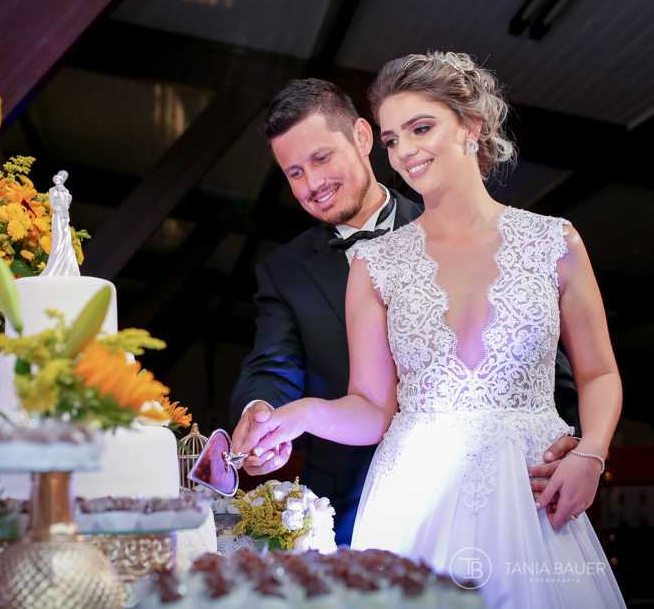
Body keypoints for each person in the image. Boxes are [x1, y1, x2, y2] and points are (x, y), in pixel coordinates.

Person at [239, 53, 624, 608]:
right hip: (410, 502)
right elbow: (371, 408)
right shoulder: (377, 265)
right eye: (396, 140)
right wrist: (293, 416)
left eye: (421, 128)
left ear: (471, 125)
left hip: (530, 496)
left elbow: (599, 372)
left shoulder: (555, 242)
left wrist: (590, 453)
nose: (408, 152)